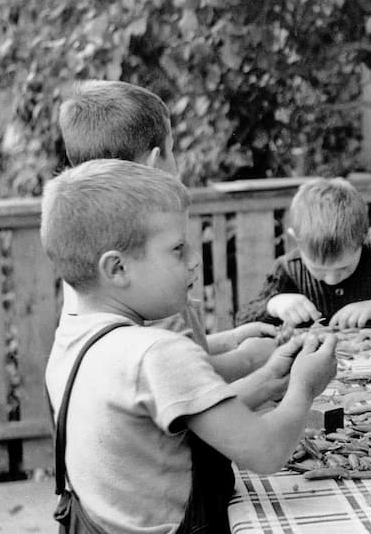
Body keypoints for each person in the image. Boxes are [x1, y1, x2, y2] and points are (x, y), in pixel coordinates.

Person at [43, 159, 338, 533]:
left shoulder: (72, 338)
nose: (194, 260)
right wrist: (304, 386)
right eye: (178, 249)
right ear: (117, 269)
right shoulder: (156, 353)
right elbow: (265, 451)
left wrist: (269, 380)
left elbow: (176, 428)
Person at [57, 79, 279, 382]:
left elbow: (181, 350)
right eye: (172, 151)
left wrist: (231, 339)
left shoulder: (90, 253)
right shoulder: (146, 269)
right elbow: (183, 377)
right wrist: (251, 357)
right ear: (153, 163)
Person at [237, 177, 371, 328]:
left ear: (365, 237)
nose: (331, 280)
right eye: (318, 269)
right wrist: (275, 304)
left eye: (343, 267)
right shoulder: (288, 268)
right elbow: (243, 320)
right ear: (296, 241)